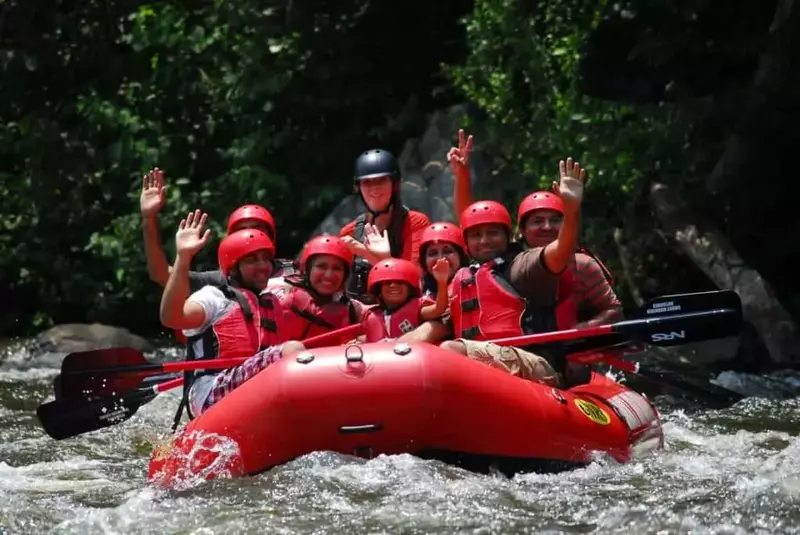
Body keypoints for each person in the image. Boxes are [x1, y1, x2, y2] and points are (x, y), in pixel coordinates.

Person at [437, 157, 588, 387]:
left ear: (507, 238)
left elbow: (560, 251)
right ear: (466, 243)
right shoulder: (462, 278)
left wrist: (571, 210)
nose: (485, 241)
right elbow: (468, 216)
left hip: (535, 365)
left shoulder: (521, 265)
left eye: (493, 233)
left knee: (450, 350)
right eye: (477, 236)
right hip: (483, 369)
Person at [448, 130, 621, 328]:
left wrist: (577, 332)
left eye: (556, 220)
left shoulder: (583, 265)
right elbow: (472, 220)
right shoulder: (513, 263)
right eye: (538, 221)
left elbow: (614, 311)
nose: (547, 227)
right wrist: (462, 174)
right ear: (520, 231)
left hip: (577, 349)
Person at [158, 210, 303, 419]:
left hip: (251, 387)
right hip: (211, 391)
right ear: (234, 267)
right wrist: (183, 257)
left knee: (296, 354)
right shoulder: (214, 297)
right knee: (292, 350)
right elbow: (171, 317)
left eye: (265, 259)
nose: (263, 266)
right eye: (252, 260)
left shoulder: (270, 304)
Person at [140, 167, 297, 293]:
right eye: (242, 231)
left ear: (271, 238)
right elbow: (160, 275)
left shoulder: (297, 274)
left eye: (258, 230)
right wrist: (149, 218)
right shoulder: (222, 282)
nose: (250, 237)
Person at [339, 149, 430, 303]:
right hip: (361, 317)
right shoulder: (349, 233)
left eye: (381, 181)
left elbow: (416, 283)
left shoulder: (415, 222)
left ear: (395, 185)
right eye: (367, 182)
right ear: (358, 188)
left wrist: (369, 254)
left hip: (404, 316)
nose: (374, 189)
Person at [271, 235, 367, 344]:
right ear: (307, 269)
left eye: (337, 268)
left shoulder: (353, 310)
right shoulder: (280, 297)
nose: (328, 275)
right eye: (321, 266)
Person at [361, 258, 449, 342]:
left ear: (410, 289)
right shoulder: (373, 315)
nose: (393, 286)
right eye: (388, 283)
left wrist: (441, 282)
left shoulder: (417, 309)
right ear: (379, 291)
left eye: (399, 282)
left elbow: (439, 308)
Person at [418, 222, 468, 298]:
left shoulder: (479, 282)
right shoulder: (418, 297)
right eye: (432, 253)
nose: (440, 258)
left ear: (461, 256)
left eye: (447, 251)